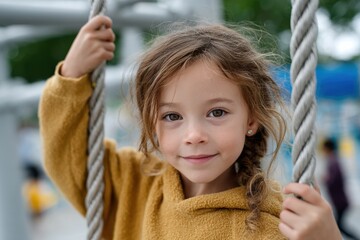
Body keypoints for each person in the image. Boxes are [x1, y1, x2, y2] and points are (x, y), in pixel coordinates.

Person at [39, 15, 342, 239]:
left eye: (217, 112)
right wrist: (72, 75)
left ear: (251, 120)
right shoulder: (135, 185)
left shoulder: (276, 224)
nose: (194, 135)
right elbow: (68, 154)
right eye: (172, 117)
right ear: (151, 124)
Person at [322, 138, 359, 240]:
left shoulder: (333, 161)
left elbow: (333, 180)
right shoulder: (335, 160)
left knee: (339, 225)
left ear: (327, 148)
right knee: (339, 224)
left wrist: (326, 179)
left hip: (340, 200)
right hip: (340, 200)